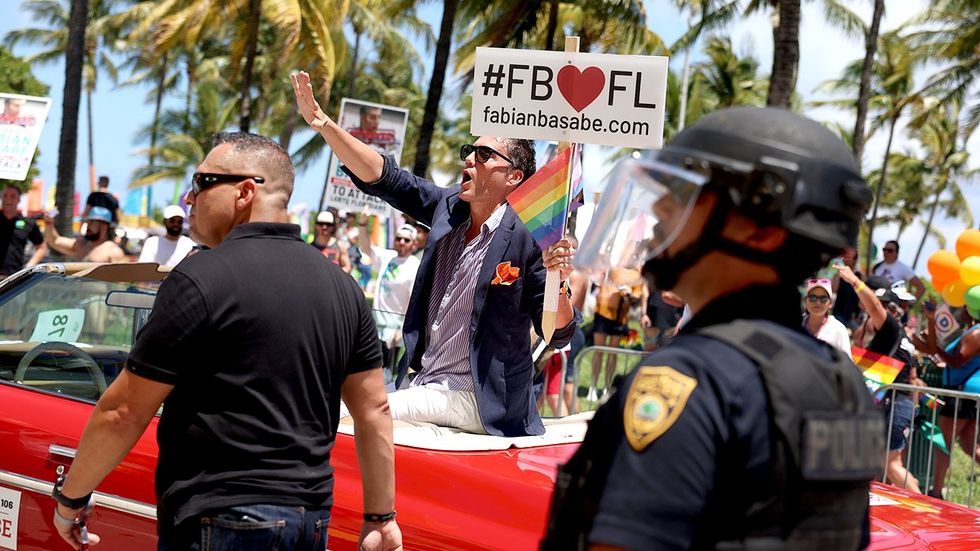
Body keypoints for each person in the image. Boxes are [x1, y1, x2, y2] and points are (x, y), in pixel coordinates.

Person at [543, 107, 879, 550]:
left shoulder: (687, 379)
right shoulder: (840, 381)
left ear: (760, 231)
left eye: (686, 192)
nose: (662, 206)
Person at [49, 131, 400, 551]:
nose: (189, 200)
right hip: (308, 524)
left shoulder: (200, 279)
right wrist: (380, 518)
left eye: (201, 183)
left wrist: (71, 498)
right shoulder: (342, 288)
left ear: (245, 191)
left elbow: (123, 411)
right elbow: (374, 408)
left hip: (222, 521)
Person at [293, 71, 578, 437]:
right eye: (469, 152)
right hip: (425, 384)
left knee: (353, 411)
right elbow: (387, 179)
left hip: (481, 399)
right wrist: (324, 124)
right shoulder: (448, 208)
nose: (469, 161)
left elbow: (558, 334)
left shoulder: (530, 237)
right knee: (333, 399)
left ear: (514, 177)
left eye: (485, 154)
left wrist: (560, 283)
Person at [845, 272, 922, 493]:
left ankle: (925, 509)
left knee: (892, 465)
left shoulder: (889, 327)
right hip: (888, 403)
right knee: (876, 467)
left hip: (895, 404)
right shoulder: (893, 333)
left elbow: (876, 309)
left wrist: (855, 282)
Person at [920, 306, 980, 499]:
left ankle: (936, 492)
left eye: (965, 306)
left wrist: (936, 347)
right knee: (968, 444)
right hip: (965, 393)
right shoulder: (971, 331)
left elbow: (957, 362)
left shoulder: (976, 334)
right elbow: (935, 352)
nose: (961, 310)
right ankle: (936, 491)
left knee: (943, 443)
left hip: (961, 393)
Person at [360, 221, 421, 379]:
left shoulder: (414, 266)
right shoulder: (387, 256)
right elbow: (365, 248)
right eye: (398, 238)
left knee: (388, 375)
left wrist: (402, 329)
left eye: (406, 240)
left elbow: (414, 302)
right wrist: (362, 224)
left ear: (414, 244)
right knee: (369, 369)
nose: (401, 242)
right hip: (376, 323)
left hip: (395, 327)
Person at [43, 206, 128, 263]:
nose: (87, 225)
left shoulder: (114, 252)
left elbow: (121, 284)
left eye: (91, 222)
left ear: (104, 227)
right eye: (88, 222)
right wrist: (48, 223)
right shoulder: (82, 244)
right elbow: (54, 241)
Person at [0, 185, 46, 276]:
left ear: (19, 199)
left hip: (13, 277)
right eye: (5, 195)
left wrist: (28, 267)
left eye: (13, 196)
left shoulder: (27, 223)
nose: (8, 199)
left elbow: (42, 247)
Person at [803, 277, 851, 354]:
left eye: (823, 299)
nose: (817, 302)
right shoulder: (795, 324)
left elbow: (846, 363)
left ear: (830, 303)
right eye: (812, 297)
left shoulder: (838, 329)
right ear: (805, 300)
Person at [832, 247, 863, 330]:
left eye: (848, 258)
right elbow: (834, 289)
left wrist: (858, 315)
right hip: (838, 314)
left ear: (854, 260)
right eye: (844, 257)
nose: (845, 259)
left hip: (852, 317)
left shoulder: (860, 276)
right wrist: (838, 273)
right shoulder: (839, 275)